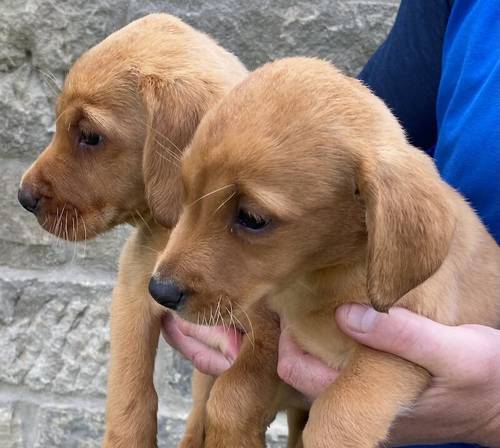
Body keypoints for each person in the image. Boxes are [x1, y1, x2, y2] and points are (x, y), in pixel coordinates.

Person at [162, 0, 500, 446]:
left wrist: (493, 412)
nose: (167, 277)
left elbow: (392, 355)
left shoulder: (397, 229)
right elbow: (328, 129)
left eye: (253, 219)